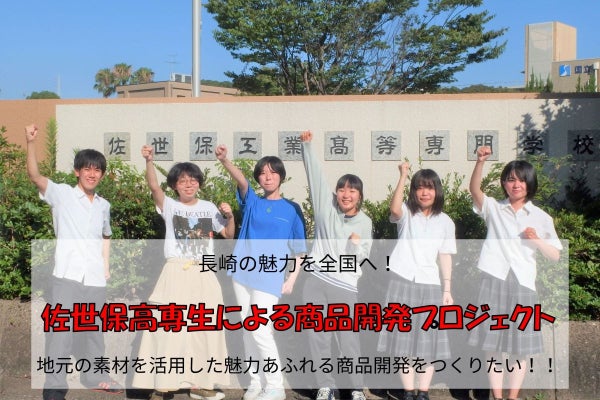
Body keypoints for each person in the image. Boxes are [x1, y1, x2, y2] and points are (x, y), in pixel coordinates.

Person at [25, 124, 122, 400]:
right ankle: (54, 386)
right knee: (61, 332)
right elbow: (34, 175)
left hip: (94, 277)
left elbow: (106, 235)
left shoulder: (103, 205)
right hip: (67, 275)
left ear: (102, 174)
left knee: (94, 331)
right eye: (87, 169)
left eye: (97, 170)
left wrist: (106, 265)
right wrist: (30, 142)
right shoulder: (62, 194)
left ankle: (95, 376)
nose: (92, 174)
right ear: (77, 171)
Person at [132, 145, 235, 400]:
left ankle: (201, 384)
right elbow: (154, 187)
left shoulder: (209, 207)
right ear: (175, 186)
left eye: (193, 180)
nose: (188, 185)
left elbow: (228, 233)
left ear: (199, 183)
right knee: (169, 327)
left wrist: (230, 216)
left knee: (205, 327)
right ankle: (163, 382)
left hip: (204, 271)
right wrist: (149, 161)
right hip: (176, 270)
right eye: (182, 181)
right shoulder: (169, 205)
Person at [468, 146, 562, 400]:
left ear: (529, 184)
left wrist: (536, 241)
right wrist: (480, 162)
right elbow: (475, 190)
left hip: (523, 283)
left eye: (521, 180)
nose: (516, 184)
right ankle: (497, 397)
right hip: (493, 278)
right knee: (492, 345)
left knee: (521, 347)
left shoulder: (541, 217)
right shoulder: (494, 208)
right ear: (504, 184)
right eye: (510, 179)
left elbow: (555, 255)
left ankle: (512, 397)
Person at [216, 145, 307, 400]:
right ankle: (256, 382)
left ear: (281, 176)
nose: (268, 177)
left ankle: (275, 386)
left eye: (273, 172)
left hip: (270, 276)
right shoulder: (253, 202)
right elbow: (241, 181)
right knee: (248, 328)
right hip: (242, 272)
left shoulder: (292, 209)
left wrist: (292, 278)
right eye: (263, 173)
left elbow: (299, 250)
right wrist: (225, 160)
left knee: (260, 329)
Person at [299, 131, 373, 400]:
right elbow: (315, 177)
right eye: (342, 189)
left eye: (352, 190)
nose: (346, 194)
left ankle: (356, 388)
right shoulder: (325, 209)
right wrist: (307, 146)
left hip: (345, 286)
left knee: (348, 339)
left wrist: (355, 247)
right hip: (317, 282)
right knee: (318, 336)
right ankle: (325, 386)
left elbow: (363, 255)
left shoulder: (365, 222)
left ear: (360, 195)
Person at [377, 163, 456, 400]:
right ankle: (408, 392)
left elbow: (445, 255)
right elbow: (394, 208)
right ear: (413, 191)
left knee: (428, 344)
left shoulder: (446, 222)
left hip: (430, 284)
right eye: (419, 187)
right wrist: (402, 176)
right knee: (402, 343)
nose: (424, 192)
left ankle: (423, 392)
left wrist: (447, 288)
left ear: (437, 191)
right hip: (401, 280)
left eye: (429, 188)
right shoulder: (406, 213)